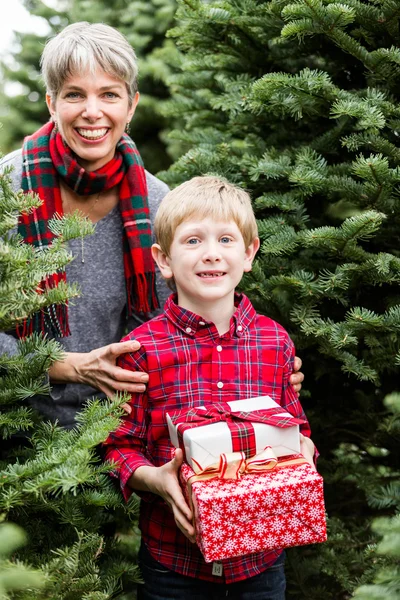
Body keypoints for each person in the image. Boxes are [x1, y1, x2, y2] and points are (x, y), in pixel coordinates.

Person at [0, 22, 304, 430]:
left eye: (109, 94)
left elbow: (185, 319)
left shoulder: (158, 203)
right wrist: (67, 366)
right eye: (75, 95)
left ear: (131, 104)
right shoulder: (8, 189)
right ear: (52, 104)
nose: (93, 112)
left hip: (121, 429)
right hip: (16, 428)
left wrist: (265, 361)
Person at [103, 176, 316, 600]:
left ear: (249, 252)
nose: (212, 254)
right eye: (193, 241)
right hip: (172, 564)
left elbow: (298, 430)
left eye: (225, 239)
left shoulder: (274, 343)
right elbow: (116, 448)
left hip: (261, 560)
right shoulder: (143, 349)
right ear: (163, 259)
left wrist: (303, 454)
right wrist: (155, 480)